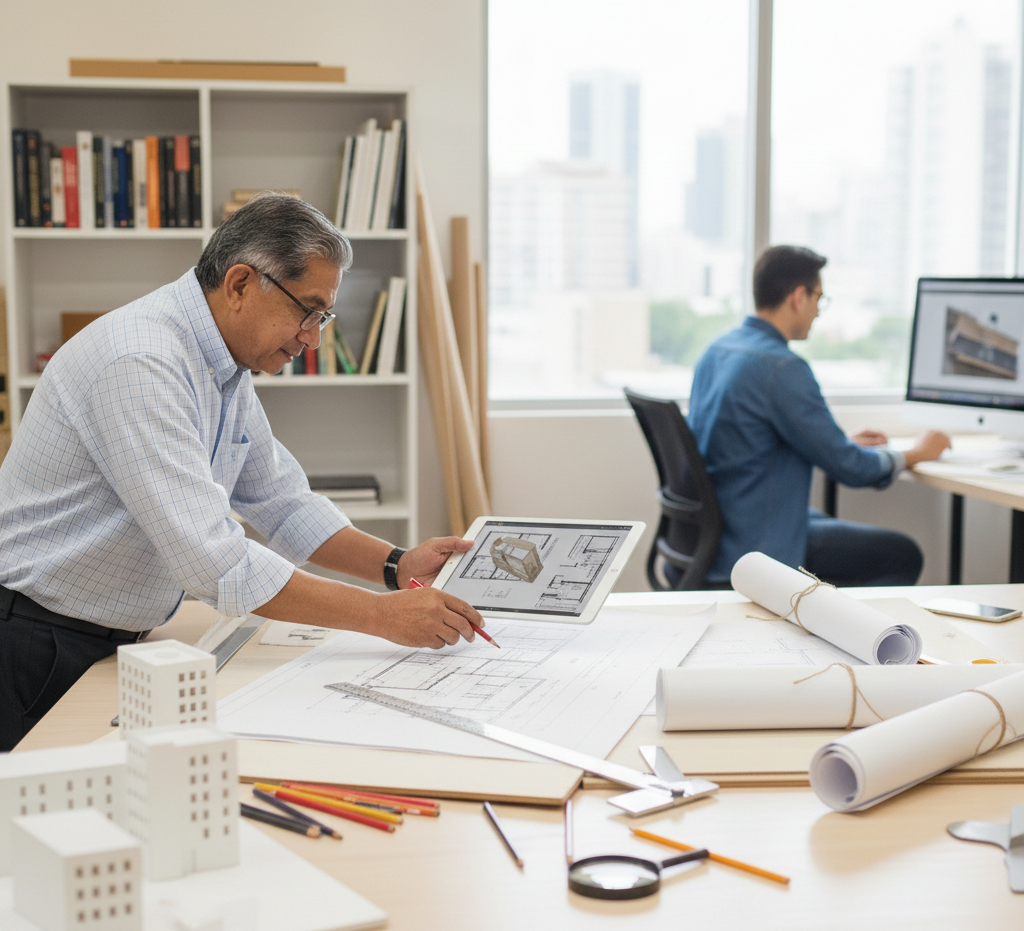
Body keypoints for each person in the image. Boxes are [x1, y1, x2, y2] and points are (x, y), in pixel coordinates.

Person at [0, 193, 485, 751]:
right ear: (239, 284)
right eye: (308, 310)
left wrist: (396, 566)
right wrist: (381, 615)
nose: (313, 338)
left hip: (114, 639)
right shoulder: (142, 362)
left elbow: (281, 500)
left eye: (323, 316)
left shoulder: (222, 365)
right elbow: (215, 560)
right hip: (35, 643)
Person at [686, 244, 951, 588]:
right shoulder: (781, 368)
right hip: (757, 548)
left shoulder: (719, 349)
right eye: (819, 300)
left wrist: (834, 443)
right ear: (799, 296)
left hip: (723, 532)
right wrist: (917, 454)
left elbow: (744, 438)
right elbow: (852, 468)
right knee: (902, 554)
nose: (818, 313)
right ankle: (841, 635)